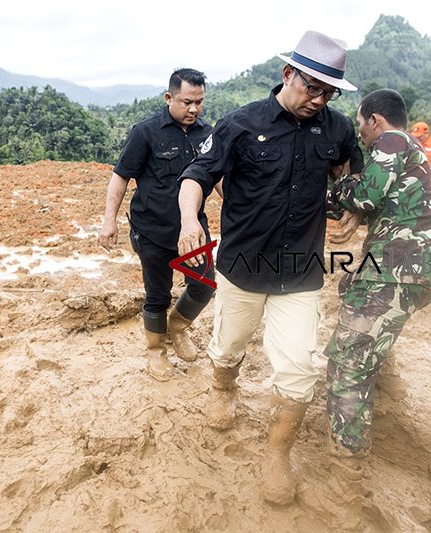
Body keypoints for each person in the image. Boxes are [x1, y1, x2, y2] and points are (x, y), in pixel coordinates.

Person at [176, 30, 363, 505]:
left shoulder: (336, 129)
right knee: (228, 345)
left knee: (299, 368)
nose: (318, 100)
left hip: (300, 273)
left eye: (329, 93)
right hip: (241, 267)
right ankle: (224, 388)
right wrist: (187, 221)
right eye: (311, 88)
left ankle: (277, 454)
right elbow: (196, 177)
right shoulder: (241, 123)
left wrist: (352, 212)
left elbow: (349, 173)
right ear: (287, 74)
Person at [318, 89, 431, 524]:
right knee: (353, 292)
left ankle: (344, 487)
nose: (360, 133)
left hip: (403, 262)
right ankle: (388, 394)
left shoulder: (391, 142)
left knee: (348, 361)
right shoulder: (409, 149)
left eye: (361, 125)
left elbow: (364, 197)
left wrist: (335, 192)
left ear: (375, 120)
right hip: (410, 261)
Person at [97, 68, 217, 381]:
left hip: (193, 230)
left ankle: (177, 327)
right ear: (169, 98)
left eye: (199, 102)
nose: (193, 109)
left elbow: (219, 178)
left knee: (204, 285)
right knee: (157, 295)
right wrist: (109, 220)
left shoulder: (208, 134)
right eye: (187, 101)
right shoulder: (146, 131)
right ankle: (156, 351)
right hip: (152, 230)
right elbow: (121, 175)